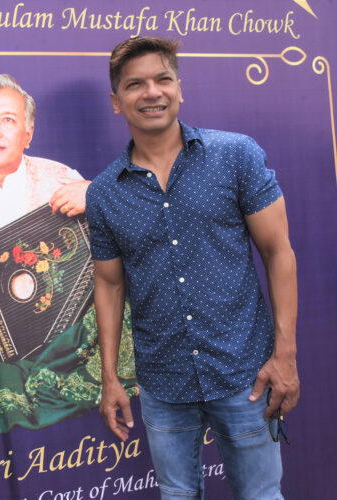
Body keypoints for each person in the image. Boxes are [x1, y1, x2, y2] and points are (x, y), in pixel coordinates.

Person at [86, 36, 299, 499]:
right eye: (135, 84)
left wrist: (285, 356)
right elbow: (108, 284)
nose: (152, 93)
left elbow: (279, 252)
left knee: (261, 495)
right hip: (163, 382)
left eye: (163, 79)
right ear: (116, 101)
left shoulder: (235, 156)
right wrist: (109, 378)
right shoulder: (104, 193)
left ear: (180, 89)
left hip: (244, 373)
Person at [0, 74, 137, 434]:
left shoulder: (63, 178)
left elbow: (119, 248)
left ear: (28, 133)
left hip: (56, 336)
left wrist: (96, 194)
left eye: (7, 120)